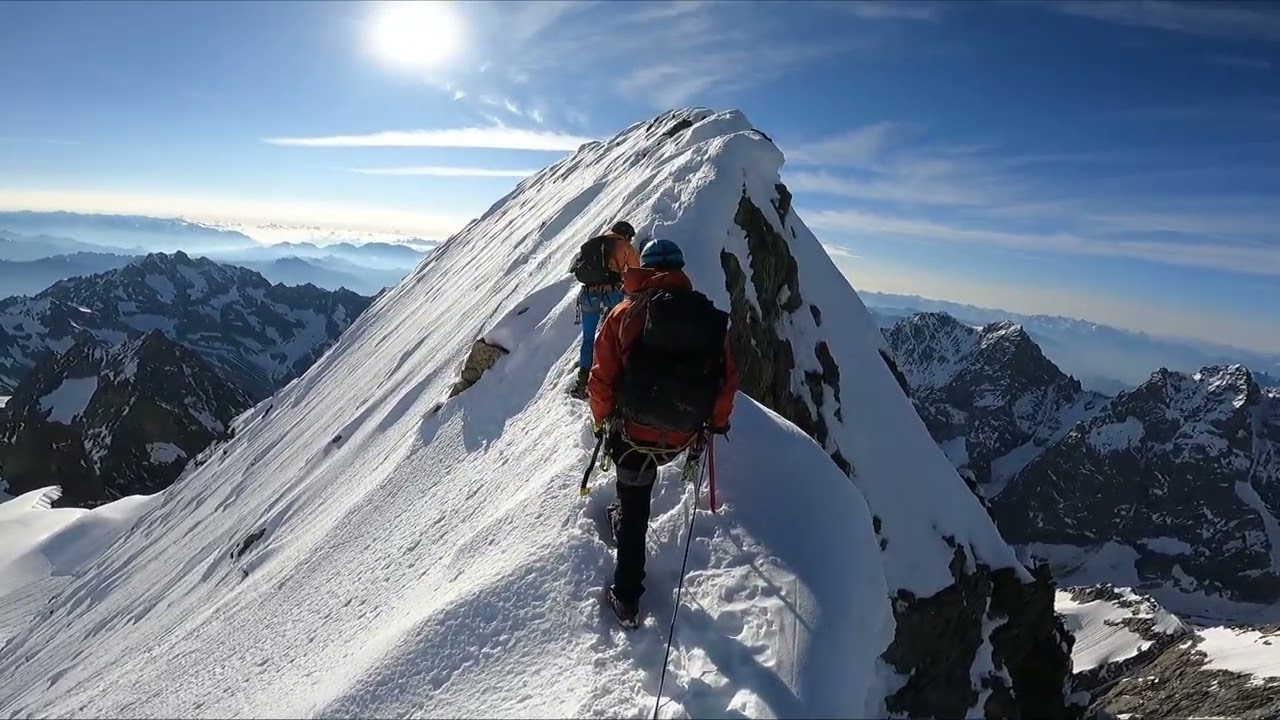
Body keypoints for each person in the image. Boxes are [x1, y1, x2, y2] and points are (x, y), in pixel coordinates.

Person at [586, 238, 738, 627]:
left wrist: (601, 421)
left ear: (644, 268)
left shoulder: (624, 313)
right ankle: (625, 515)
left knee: (635, 507)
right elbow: (726, 381)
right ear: (681, 268)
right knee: (640, 488)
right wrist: (716, 424)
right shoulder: (707, 318)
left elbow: (600, 379)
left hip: (632, 436)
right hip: (681, 434)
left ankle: (627, 599)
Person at [568, 220, 640, 399]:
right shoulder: (624, 246)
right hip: (612, 294)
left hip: (588, 295)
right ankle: (611, 377)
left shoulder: (596, 243)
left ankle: (583, 381)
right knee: (615, 337)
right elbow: (636, 271)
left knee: (588, 338)